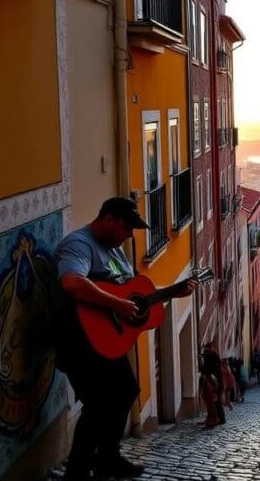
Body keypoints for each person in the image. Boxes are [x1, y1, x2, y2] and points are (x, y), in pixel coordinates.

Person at [52, 197, 197, 480]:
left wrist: (172, 291)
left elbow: (132, 294)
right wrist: (116, 305)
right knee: (97, 405)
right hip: (79, 340)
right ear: (108, 219)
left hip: (108, 342)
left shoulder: (115, 251)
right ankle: (78, 472)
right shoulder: (80, 244)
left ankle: (108, 458)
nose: (131, 234)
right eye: (127, 227)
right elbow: (71, 281)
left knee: (125, 391)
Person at [199, 343, 221, 427]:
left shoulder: (213, 356)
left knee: (210, 400)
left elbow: (210, 368)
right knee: (208, 400)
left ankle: (213, 419)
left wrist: (202, 368)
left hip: (211, 379)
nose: (206, 351)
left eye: (207, 349)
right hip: (209, 378)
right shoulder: (211, 355)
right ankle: (210, 418)